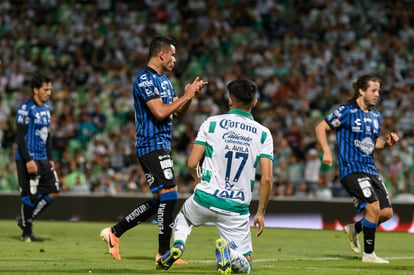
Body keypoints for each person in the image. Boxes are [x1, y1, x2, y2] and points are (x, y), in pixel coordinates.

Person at [99, 36, 207, 263]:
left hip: (162, 145)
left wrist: (188, 98)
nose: (175, 60)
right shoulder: (144, 79)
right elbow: (159, 112)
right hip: (150, 145)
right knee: (171, 193)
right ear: (162, 54)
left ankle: (114, 233)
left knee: (160, 200)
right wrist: (185, 96)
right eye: (173, 55)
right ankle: (163, 253)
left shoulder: (165, 81)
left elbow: (176, 113)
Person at [156, 79, 274, 273]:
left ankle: (178, 244)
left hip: (205, 197)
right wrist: (261, 212)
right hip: (235, 209)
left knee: (184, 217)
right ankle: (230, 253)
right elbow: (267, 179)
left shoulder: (211, 123)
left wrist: (199, 180)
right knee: (247, 263)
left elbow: (192, 163)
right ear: (254, 103)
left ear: (230, 100)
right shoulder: (263, 134)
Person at [315, 74, 399, 263]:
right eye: (373, 90)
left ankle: (355, 229)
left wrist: (386, 143)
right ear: (361, 91)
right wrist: (326, 151)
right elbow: (321, 127)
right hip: (351, 169)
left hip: (370, 169)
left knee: (386, 213)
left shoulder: (376, 115)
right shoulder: (346, 111)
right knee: (373, 208)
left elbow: (372, 143)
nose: (377, 94)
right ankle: (369, 255)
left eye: (378, 90)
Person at [15, 73, 60, 242]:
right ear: (35, 90)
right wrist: (28, 160)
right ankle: (26, 233)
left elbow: (47, 136)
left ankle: (26, 220)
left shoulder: (47, 110)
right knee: (29, 196)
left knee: (54, 190)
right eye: (46, 89)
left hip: (43, 158)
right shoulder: (25, 109)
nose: (49, 92)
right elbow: (20, 137)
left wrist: (50, 158)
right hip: (28, 158)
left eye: (50, 89)